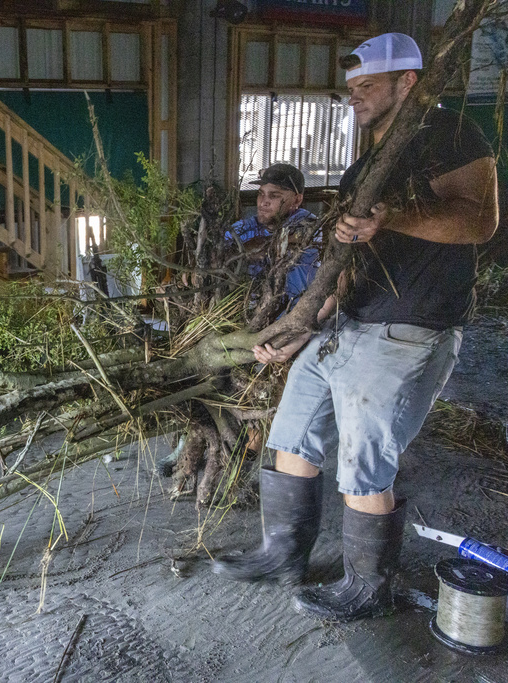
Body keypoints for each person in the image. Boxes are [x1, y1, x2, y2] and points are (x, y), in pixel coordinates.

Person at [212, 32, 499, 622]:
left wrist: (396, 218)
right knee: (290, 433)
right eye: (351, 89)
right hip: (348, 322)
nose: (354, 98)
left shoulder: (452, 135)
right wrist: (302, 325)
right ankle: (282, 554)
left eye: (367, 87)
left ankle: (368, 586)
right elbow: (344, 267)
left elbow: (479, 219)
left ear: (408, 82)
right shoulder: (365, 164)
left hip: (408, 329)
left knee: (364, 460)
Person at [229, 163, 319, 312]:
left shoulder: (308, 224)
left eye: (274, 195)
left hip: (294, 318)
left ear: (297, 200)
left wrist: (245, 250)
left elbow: (287, 240)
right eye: (260, 193)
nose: (263, 202)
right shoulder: (246, 227)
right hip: (253, 315)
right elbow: (216, 248)